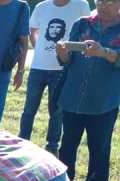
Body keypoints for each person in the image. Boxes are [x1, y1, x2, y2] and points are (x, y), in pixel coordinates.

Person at [56, 1, 120, 181]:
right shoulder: (81, 24)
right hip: (74, 96)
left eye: (109, 1)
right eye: (100, 1)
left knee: (99, 144)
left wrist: (104, 52)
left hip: (104, 100)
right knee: (68, 143)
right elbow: (67, 61)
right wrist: (63, 54)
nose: (104, 5)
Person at [18, 0, 90, 155]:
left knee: (56, 111)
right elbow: (33, 29)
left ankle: (52, 147)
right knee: (29, 108)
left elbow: (87, 31)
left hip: (61, 67)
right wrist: (39, 48)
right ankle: (22, 141)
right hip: (38, 67)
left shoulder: (81, 5)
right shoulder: (42, 6)